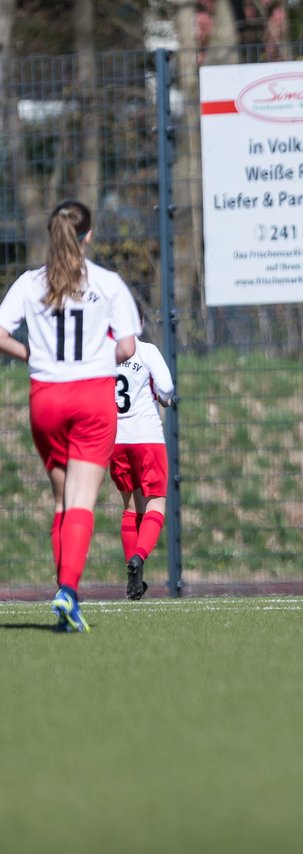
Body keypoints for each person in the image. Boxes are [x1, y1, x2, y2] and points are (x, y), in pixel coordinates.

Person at [0, 200, 141, 631]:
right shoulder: (107, 282)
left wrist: (30, 354)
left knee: (61, 501)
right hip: (92, 399)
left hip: (46, 399)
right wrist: (101, 353)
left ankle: (66, 603)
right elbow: (128, 348)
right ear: (89, 236)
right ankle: (68, 591)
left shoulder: (29, 282)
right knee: (81, 502)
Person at [110, 312, 174, 600]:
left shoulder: (102, 356)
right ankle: (138, 557)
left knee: (130, 507)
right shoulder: (147, 351)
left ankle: (134, 579)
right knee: (156, 504)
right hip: (147, 438)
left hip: (116, 440)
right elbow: (167, 387)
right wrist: (164, 398)